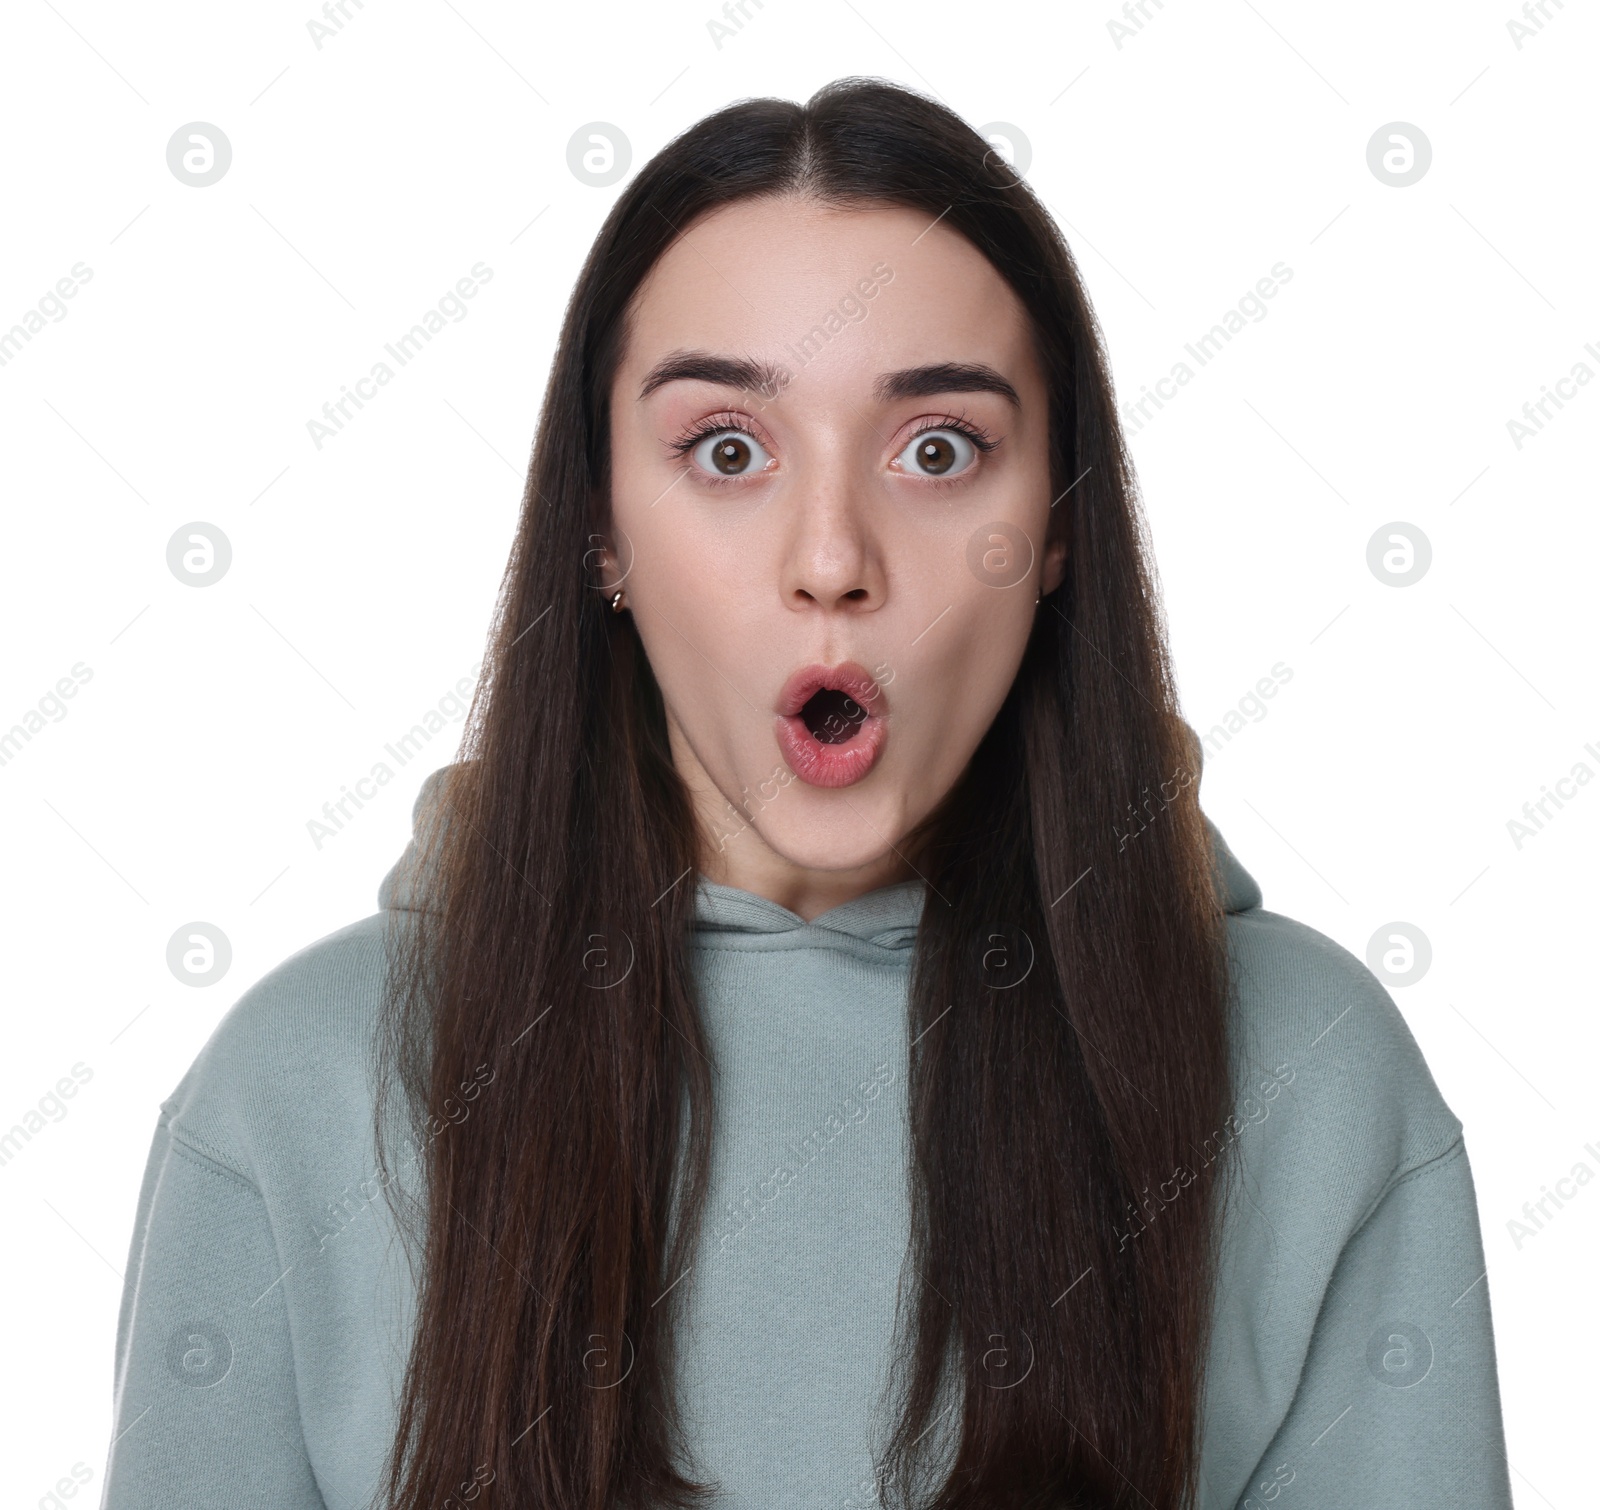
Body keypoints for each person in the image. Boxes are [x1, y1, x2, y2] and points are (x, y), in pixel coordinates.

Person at [100, 78, 1513, 1510]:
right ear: (601, 529)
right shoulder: (299, 1088)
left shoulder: (1305, 1076)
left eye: (938, 450)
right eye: (727, 450)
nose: (831, 556)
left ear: (1060, 529)